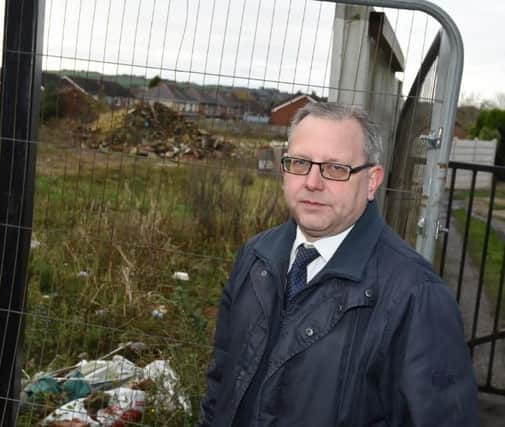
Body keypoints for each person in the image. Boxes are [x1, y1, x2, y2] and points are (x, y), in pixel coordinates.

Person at [198, 102, 478, 426]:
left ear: (372, 181)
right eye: (300, 163)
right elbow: (220, 384)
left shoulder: (417, 297)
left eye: (335, 169)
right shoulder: (255, 257)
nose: (313, 182)